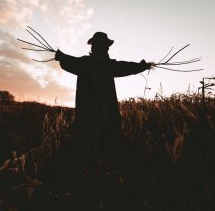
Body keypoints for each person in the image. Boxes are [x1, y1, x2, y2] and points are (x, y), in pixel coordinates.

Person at [55, 32, 153, 172]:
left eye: (105, 46)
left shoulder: (85, 63)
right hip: (102, 112)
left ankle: (90, 168)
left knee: (89, 138)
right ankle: (98, 168)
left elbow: (67, 62)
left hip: (88, 112)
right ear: (101, 47)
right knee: (103, 139)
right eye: (105, 46)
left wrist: (61, 56)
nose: (106, 49)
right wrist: (141, 66)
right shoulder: (104, 65)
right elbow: (126, 67)